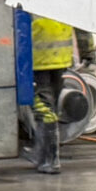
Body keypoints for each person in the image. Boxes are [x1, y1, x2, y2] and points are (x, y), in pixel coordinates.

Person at [28, 14, 77, 174]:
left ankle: (50, 161)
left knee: (44, 109)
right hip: (61, 58)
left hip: (37, 60)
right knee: (51, 108)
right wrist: (88, 51)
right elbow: (83, 21)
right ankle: (42, 155)